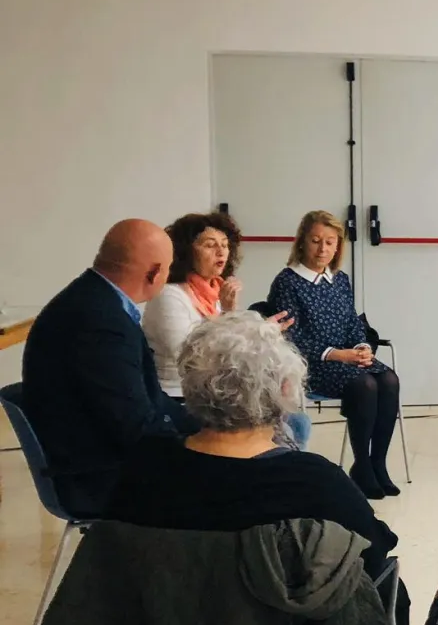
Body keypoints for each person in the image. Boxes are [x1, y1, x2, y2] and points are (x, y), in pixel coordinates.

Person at [106, 311, 399, 596]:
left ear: (190, 385)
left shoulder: (142, 469)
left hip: (159, 623)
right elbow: (374, 554)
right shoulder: (317, 482)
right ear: (286, 389)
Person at [20, 219, 188, 516]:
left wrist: (209, 426)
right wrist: (201, 447)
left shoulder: (96, 301)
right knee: (234, 482)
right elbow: (133, 426)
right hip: (99, 477)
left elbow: (150, 402)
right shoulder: (99, 321)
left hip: (102, 457)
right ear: (154, 273)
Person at [267, 210, 403, 501]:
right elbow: (290, 338)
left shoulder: (340, 280)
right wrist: (337, 355)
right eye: (315, 241)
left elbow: (352, 323)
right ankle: (362, 467)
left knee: (389, 380)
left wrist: (362, 347)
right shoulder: (287, 282)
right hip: (313, 363)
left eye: (330, 242)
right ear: (302, 242)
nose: (323, 249)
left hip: (347, 358)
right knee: (365, 385)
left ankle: (378, 463)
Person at [142, 211, 244, 399]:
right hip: (175, 396)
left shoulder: (217, 292)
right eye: (210, 245)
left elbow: (233, 351)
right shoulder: (168, 295)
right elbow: (189, 359)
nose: (221, 251)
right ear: (186, 252)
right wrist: (227, 315)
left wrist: (261, 331)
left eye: (224, 245)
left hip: (211, 394)